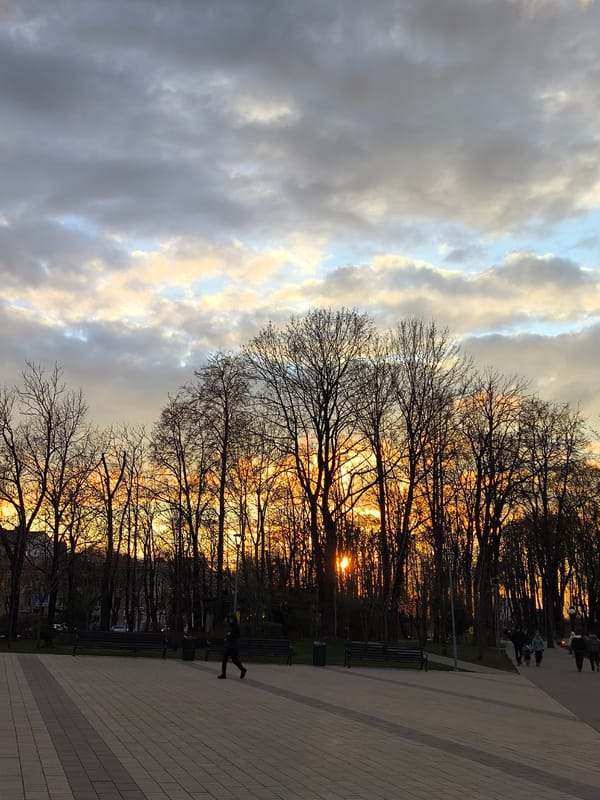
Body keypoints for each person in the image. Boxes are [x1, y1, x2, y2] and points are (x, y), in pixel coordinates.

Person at [218, 614, 247, 680]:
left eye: (231, 619)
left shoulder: (236, 626)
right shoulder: (229, 626)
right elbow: (228, 634)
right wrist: (227, 637)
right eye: (230, 619)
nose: (230, 620)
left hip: (234, 646)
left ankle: (243, 669)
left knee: (235, 660)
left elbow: (238, 636)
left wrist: (231, 635)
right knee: (224, 659)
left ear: (234, 619)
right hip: (228, 645)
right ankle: (223, 674)